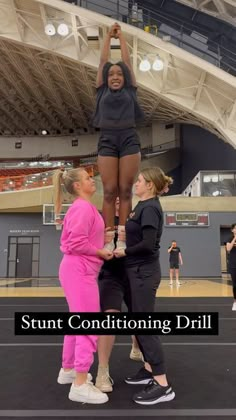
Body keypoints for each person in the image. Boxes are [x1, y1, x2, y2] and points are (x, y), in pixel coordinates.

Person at [114, 167, 175, 405]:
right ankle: (149, 369)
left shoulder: (150, 207)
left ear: (150, 185)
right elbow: (139, 234)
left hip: (144, 273)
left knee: (145, 326)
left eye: (139, 181)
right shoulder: (142, 206)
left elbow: (149, 244)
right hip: (136, 272)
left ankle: (163, 384)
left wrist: (124, 251)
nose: (135, 184)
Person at [53, 167, 113, 404]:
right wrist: (100, 250)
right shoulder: (82, 207)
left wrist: (102, 239)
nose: (92, 180)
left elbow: (79, 239)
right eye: (88, 178)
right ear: (77, 185)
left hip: (78, 269)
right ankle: (79, 384)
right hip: (79, 271)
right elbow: (76, 242)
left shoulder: (85, 208)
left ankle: (68, 370)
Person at [92, 22, 144, 251]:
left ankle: (122, 238)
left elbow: (127, 62)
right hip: (107, 140)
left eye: (119, 74)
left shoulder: (130, 90)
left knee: (125, 190)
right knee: (109, 190)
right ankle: (107, 237)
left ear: (125, 78)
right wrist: (107, 38)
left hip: (129, 138)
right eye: (111, 74)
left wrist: (120, 37)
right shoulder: (101, 90)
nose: (115, 76)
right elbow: (103, 62)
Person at [95, 197, 142, 393]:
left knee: (139, 316)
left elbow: (144, 246)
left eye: (120, 197)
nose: (117, 200)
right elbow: (89, 246)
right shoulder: (100, 219)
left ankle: (136, 348)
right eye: (112, 196)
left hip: (132, 274)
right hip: (110, 276)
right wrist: (101, 242)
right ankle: (102, 370)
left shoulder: (134, 220)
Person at [226, 223, 236, 311]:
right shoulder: (230, 238)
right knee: (235, 285)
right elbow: (228, 249)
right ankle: (235, 302)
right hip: (234, 265)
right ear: (232, 230)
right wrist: (235, 238)